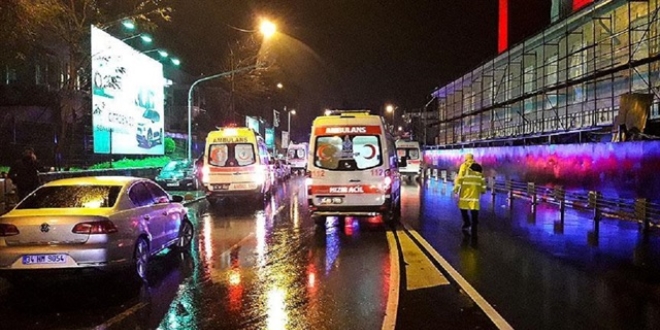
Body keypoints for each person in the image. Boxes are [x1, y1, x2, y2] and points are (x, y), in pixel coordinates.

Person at [453, 161, 486, 235]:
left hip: (464, 197)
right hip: (474, 199)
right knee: (474, 212)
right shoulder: (480, 176)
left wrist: (455, 190)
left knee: (464, 211)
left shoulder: (465, 174)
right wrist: (482, 191)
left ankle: (467, 223)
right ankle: (474, 226)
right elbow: (483, 188)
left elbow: (458, 182)